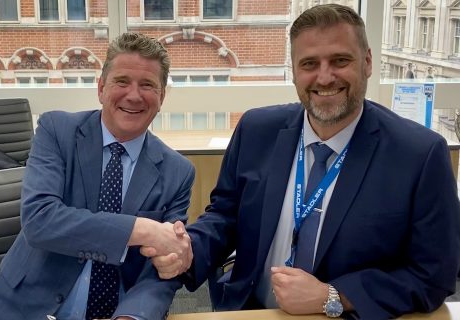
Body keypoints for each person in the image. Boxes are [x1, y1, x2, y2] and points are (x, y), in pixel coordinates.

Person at [148, 4, 460, 319]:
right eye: (309, 63)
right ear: (294, 69)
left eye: (340, 60)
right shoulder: (257, 130)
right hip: (252, 311)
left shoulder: (419, 154)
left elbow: (434, 275)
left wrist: (335, 297)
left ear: (367, 62)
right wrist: (188, 250)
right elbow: (225, 217)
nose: (324, 77)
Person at [0, 32, 194, 320]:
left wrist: (131, 316)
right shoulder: (57, 130)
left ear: (161, 96)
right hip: (26, 307)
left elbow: (160, 271)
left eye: (147, 85)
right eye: (122, 82)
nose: (134, 95)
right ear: (101, 88)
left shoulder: (178, 172)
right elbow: (40, 220)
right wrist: (143, 229)